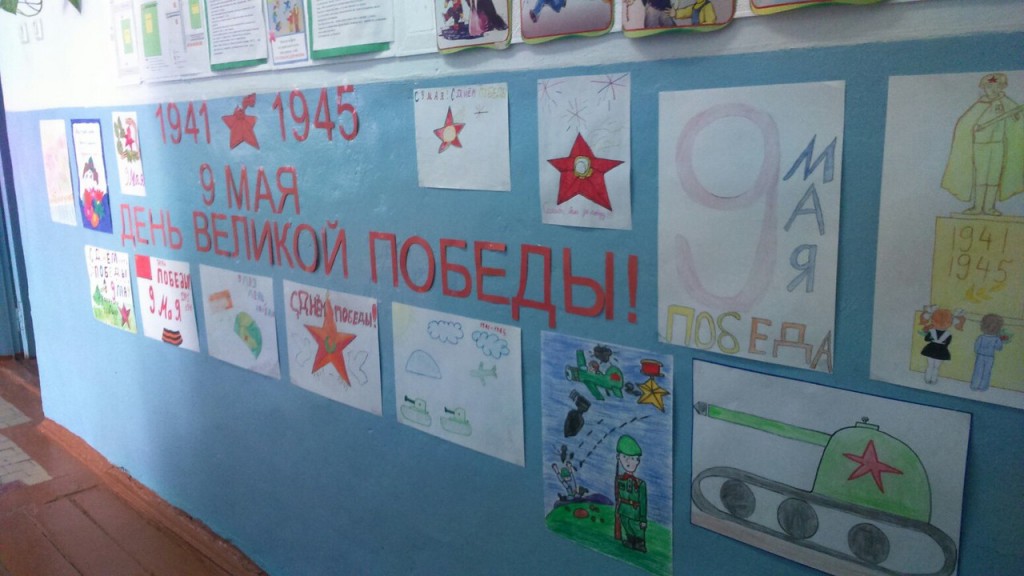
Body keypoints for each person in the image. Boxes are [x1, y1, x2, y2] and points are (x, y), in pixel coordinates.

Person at [941, 73, 1024, 216]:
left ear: (1002, 87)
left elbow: (1018, 120)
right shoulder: (981, 103)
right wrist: (975, 127)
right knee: (981, 176)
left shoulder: (1007, 103)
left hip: (998, 144)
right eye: (989, 86)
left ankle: (989, 207)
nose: (992, 90)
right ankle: (977, 207)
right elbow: (965, 123)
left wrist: (1015, 116)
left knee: (994, 177)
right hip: (980, 144)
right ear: (984, 88)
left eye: (996, 86)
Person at [614, 435, 647, 553]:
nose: (629, 462)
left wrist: (643, 519)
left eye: (633, 458)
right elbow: (618, 495)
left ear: (638, 460)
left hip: (635, 512)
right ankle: (630, 540)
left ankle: (640, 543)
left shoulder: (640, 484)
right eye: (625, 457)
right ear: (619, 458)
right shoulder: (619, 479)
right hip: (623, 510)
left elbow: (643, 502)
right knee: (627, 525)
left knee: (636, 528)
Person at [919, 306, 964, 384]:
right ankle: (933, 380)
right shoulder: (948, 334)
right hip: (941, 352)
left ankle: (927, 379)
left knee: (930, 365)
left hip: (930, 349)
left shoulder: (932, 331)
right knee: (936, 367)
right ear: (950, 323)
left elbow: (926, 339)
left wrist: (931, 338)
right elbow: (947, 344)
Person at [970, 313, 1006, 392]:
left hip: (980, 356)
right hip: (989, 357)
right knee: (986, 372)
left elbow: (976, 347)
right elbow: (999, 348)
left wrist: (978, 352)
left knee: (978, 371)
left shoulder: (981, 337)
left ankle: (974, 385)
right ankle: (983, 387)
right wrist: (1001, 341)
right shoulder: (996, 339)